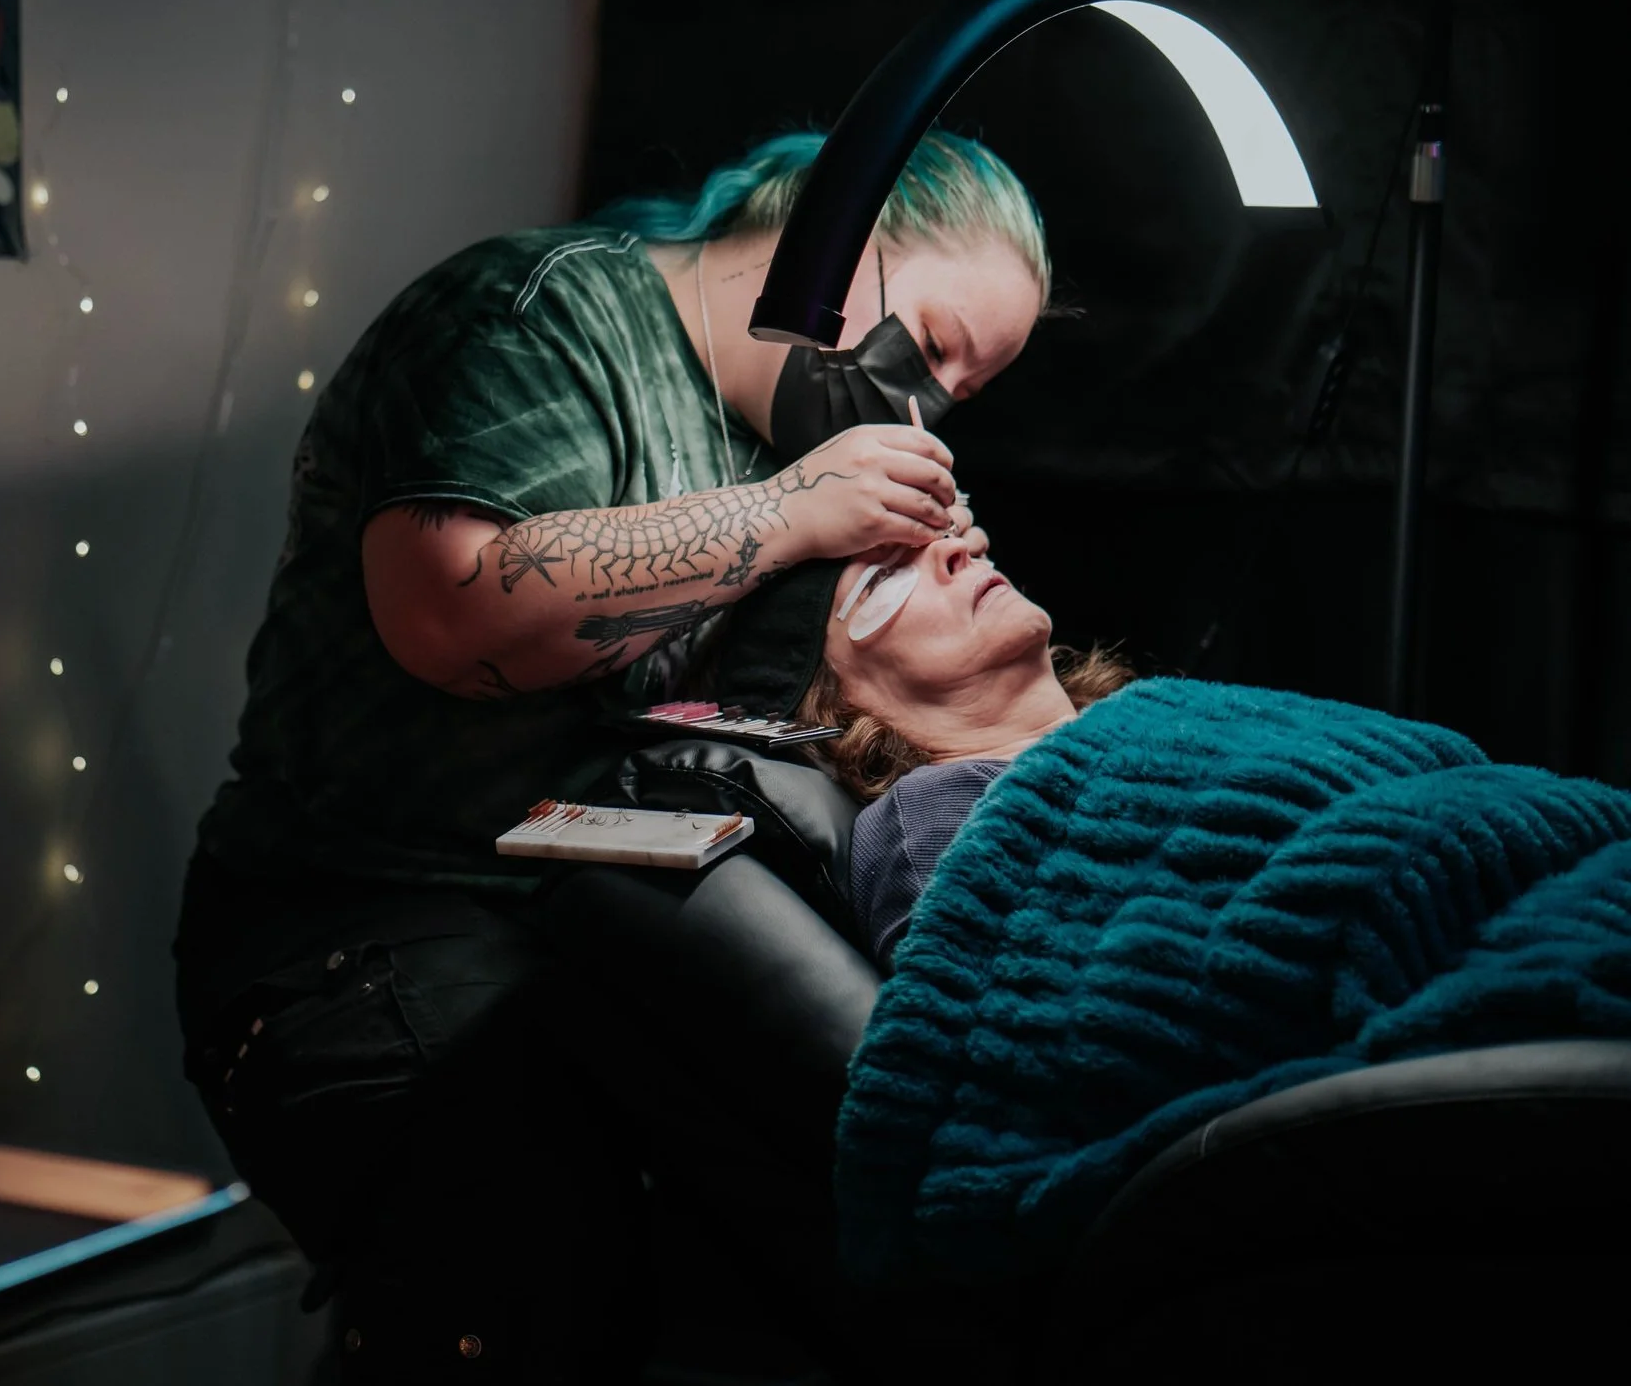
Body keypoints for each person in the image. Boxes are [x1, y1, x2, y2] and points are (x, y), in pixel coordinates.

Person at [171, 129, 1057, 1376]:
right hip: (362, 932)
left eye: (963, 398)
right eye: (934, 347)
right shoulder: (540, 314)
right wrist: (788, 513)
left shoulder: (797, 447)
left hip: (589, 934)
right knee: (527, 1280)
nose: (928, 405)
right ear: (836, 241)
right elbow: (448, 612)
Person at [790, 535, 1136, 970]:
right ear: (837, 698)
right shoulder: (939, 820)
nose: (960, 548)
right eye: (883, 578)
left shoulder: (1149, 724)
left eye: (953, 530)